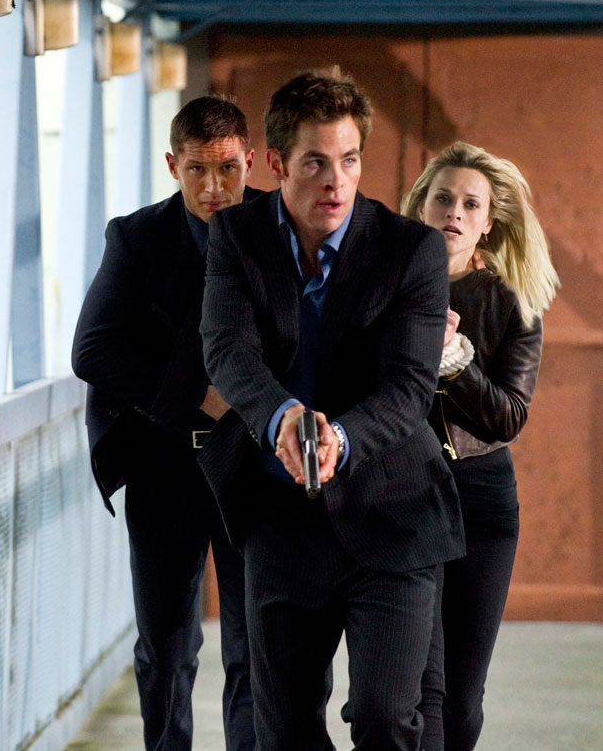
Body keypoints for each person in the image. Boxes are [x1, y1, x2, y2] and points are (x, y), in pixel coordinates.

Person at [197, 68, 465, 751]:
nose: (335, 182)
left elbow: (408, 386)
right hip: (281, 517)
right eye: (315, 162)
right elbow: (227, 350)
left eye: (349, 160)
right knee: (284, 729)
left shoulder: (411, 250)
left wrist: (338, 438)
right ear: (277, 163)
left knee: (384, 715)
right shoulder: (237, 237)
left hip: (393, 509)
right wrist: (283, 416)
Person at [72, 96, 259, 751]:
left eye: (228, 168)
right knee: (166, 647)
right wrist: (195, 398)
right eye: (197, 169)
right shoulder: (136, 237)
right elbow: (91, 350)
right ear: (172, 165)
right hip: (164, 461)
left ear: (251, 161)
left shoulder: (280, 228)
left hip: (254, 462)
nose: (214, 187)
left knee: (257, 645)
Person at [400, 142, 559, 751]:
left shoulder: (510, 301)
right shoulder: (382, 287)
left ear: (488, 222)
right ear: (421, 205)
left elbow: (507, 417)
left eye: (471, 204)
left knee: (462, 698)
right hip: (404, 495)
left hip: (480, 499)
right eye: (443, 198)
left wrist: (452, 359)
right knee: (419, 690)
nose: (454, 212)